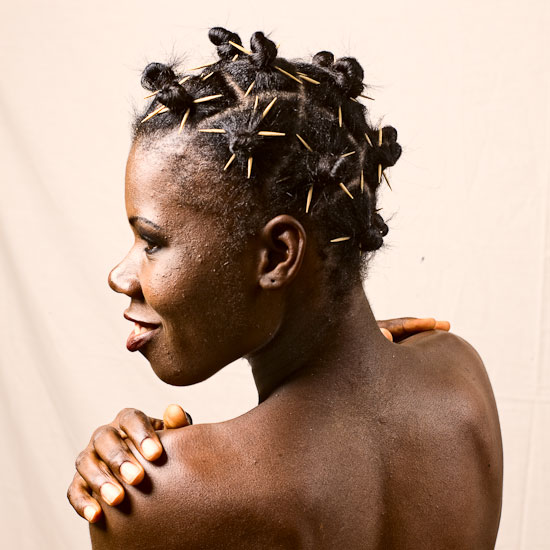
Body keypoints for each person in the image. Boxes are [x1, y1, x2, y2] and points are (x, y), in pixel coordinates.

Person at [66, 27, 503, 549]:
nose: (119, 276)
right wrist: (347, 338)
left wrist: (161, 485)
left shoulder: (148, 497)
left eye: (152, 242)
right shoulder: (459, 373)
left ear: (277, 256)